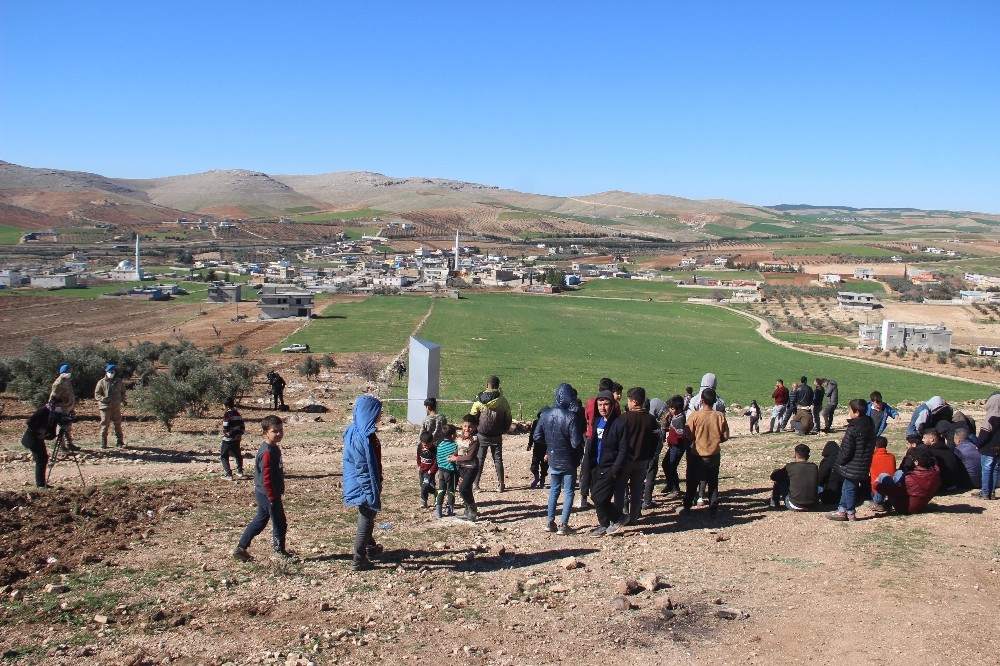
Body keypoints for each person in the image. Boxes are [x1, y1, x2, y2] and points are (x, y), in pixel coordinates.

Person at [233, 415, 292, 562]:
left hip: (267, 493)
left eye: (280, 430)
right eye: (274, 431)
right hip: (267, 494)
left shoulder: (273, 448)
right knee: (279, 522)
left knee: (260, 521)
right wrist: (272, 497)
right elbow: (266, 478)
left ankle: (240, 548)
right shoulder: (267, 452)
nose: (279, 433)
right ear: (265, 433)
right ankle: (279, 552)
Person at [533, 383, 584, 535]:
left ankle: (550, 522)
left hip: (553, 457)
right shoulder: (571, 417)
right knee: (568, 492)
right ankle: (563, 524)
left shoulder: (545, 414)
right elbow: (575, 443)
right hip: (568, 459)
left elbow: (537, 436)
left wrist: (550, 443)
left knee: (554, 491)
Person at [342, 394, 384, 571]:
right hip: (363, 485)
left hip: (365, 483)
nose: (380, 415)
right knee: (366, 519)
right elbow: (362, 469)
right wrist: (370, 491)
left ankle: (370, 547)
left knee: (368, 517)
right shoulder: (361, 438)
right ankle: (359, 559)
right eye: (377, 412)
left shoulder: (359, 431)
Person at [585, 390, 631, 536]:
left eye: (606, 404)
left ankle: (619, 517)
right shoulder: (598, 421)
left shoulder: (620, 424)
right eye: (600, 404)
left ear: (612, 405)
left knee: (598, 496)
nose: (603, 408)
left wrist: (615, 470)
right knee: (596, 495)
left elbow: (624, 449)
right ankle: (603, 524)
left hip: (610, 467)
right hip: (597, 465)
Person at [683, 387, 730, 516]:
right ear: (714, 401)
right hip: (714, 454)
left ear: (701, 401)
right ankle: (713, 506)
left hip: (698, 454)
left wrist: (696, 439)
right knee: (713, 481)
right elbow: (725, 436)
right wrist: (715, 441)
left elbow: (688, 435)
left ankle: (687, 505)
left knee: (693, 480)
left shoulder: (695, 416)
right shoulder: (719, 416)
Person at [827, 398, 876, 522]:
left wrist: (840, 461)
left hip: (852, 464)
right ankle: (842, 509)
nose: (849, 412)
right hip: (863, 462)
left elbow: (846, 450)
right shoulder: (870, 425)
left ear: (857, 412)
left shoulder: (854, 428)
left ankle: (850, 512)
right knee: (847, 486)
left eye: (850, 410)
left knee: (850, 487)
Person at [581, 378, 619, 509]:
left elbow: (586, 417)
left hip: (590, 436)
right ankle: (601, 496)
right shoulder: (615, 405)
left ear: (599, 388)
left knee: (587, 467)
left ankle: (584, 497)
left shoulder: (591, 401)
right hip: (605, 439)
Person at [621, 387, 658, 522]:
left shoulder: (624, 418)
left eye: (629, 400)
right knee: (637, 488)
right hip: (642, 459)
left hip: (626, 459)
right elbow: (655, 440)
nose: (628, 403)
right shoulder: (651, 420)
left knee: (622, 486)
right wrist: (650, 455)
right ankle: (635, 515)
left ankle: (623, 511)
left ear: (635, 402)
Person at [470, 376, 511, 492]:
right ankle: (501, 484)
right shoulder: (503, 401)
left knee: (480, 459)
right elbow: (508, 418)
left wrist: (474, 430)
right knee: (498, 459)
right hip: (497, 434)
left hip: (482, 434)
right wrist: (504, 429)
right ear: (498, 386)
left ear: (487, 385)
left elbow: (473, 417)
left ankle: (476, 485)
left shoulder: (479, 400)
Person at [874, 446, 941, 514]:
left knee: (883, 475)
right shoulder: (935, 473)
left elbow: (893, 491)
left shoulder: (909, 479)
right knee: (899, 473)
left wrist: (876, 484)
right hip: (921, 505)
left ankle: (878, 502)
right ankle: (885, 502)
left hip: (905, 508)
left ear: (916, 462)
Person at [768, 443, 819, 511]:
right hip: (813, 505)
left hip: (795, 505)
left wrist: (776, 470)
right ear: (808, 456)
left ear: (796, 455)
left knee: (779, 480)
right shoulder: (814, 467)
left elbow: (774, 477)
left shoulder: (791, 467)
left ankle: (774, 503)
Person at [450, 414, 481, 521]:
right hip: (462, 468)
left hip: (471, 468)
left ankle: (473, 510)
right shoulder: (460, 436)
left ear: (475, 427)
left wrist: (456, 459)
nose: (467, 429)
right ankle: (467, 511)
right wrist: (454, 455)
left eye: (470, 427)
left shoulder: (474, 440)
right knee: (465, 489)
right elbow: (458, 448)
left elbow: (470, 456)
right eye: (465, 426)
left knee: (463, 489)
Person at [660, 395, 689, 499]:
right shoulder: (676, 417)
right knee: (665, 464)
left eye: (672, 409)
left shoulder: (680, 420)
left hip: (677, 447)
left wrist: (671, 439)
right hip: (673, 446)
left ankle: (675, 489)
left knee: (671, 466)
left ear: (679, 409)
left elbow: (680, 435)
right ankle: (670, 484)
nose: (670, 410)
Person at [641, 397, 667, 508]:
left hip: (639, 455)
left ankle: (638, 497)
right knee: (650, 477)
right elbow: (659, 441)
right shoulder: (654, 423)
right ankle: (647, 501)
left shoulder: (638, 419)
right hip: (651, 455)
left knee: (639, 477)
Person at [22, 403, 56, 488]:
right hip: (33, 439)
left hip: (39, 439)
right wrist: (38, 430)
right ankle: (40, 484)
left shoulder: (52, 412)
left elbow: (51, 430)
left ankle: (41, 483)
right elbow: (29, 421)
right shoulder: (43, 410)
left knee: (43, 458)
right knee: (40, 460)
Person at [974, 392, 1000, 500]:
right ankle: (992, 493)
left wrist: (978, 444)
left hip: (988, 448)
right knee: (995, 469)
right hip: (998, 449)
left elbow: (984, 434)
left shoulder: (990, 417)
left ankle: (985, 492)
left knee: (987, 469)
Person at [94, 363, 126, 449]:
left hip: (116, 408)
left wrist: (122, 399)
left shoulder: (119, 382)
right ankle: (103, 443)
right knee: (105, 425)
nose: (111, 373)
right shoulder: (101, 382)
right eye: (109, 372)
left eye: (113, 372)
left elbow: (123, 392)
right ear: (106, 372)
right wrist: (103, 399)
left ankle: (120, 442)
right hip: (105, 408)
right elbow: (97, 394)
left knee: (118, 425)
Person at [48, 364, 79, 451]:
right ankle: (61, 446)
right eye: (68, 372)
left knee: (68, 426)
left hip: (68, 408)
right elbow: (53, 397)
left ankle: (69, 443)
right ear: (63, 372)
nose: (70, 373)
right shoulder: (58, 383)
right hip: (61, 408)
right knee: (61, 427)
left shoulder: (67, 381)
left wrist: (71, 407)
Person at [434, 424, 458, 518]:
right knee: (451, 491)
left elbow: (438, 458)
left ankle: (438, 511)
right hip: (451, 472)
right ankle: (450, 510)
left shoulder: (440, 445)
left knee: (441, 490)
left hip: (441, 471)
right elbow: (456, 459)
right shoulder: (455, 446)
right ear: (452, 435)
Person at [867, 436, 897, 511]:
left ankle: (878, 502)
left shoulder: (872, 458)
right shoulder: (891, 457)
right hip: (891, 488)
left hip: (876, 489)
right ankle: (889, 502)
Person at [220, 397, 246, 481]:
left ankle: (228, 474)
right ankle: (239, 471)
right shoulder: (237, 413)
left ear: (226, 406)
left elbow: (226, 426)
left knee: (224, 456)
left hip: (228, 439)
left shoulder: (227, 414)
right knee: (237, 454)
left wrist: (230, 435)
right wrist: (239, 434)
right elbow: (242, 425)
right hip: (237, 438)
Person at [817, 440, 844, 505]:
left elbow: (820, 477)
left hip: (831, 494)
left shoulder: (828, 461)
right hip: (843, 493)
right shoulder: (843, 459)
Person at [527, 411, 548, 489]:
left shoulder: (549, 423)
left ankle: (542, 481)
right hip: (537, 447)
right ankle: (536, 478)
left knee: (544, 465)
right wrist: (530, 444)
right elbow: (532, 433)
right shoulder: (536, 422)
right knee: (534, 465)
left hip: (546, 447)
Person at [417, 431, 438, 508]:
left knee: (425, 486)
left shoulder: (434, 449)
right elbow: (418, 457)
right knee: (422, 485)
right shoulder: (419, 447)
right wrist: (419, 465)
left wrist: (431, 470)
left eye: (428, 445)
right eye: (424, 445)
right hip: (422, 470)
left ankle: (423, 501)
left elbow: (436, 462)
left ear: (432, 442)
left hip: (429, 472)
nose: (426, 447)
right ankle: (435, 492)